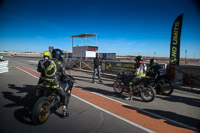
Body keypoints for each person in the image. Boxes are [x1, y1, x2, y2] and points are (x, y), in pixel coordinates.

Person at [43, 49, 71, 118]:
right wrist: (69, 78)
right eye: (61, 55)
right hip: (55, 83)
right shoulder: (60, 63)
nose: (62, 57)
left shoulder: (47, 62)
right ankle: (65, 112)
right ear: (58, 55)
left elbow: (43, 72)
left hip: (45, 82)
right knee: (64, 95)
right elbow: (64, 74)